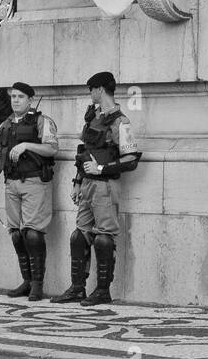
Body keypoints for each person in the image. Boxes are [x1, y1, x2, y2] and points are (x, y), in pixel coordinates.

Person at [52, 71, 141, 307]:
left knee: (103, 238)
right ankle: (77, 288)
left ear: (100, 89)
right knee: (78, 237)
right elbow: (84, 153)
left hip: (105, 186)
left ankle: (103, 291)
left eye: (91, 89)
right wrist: (77, 181)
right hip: (88, 185)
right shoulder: (93, 117)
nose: (90, 93)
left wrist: (101, 168)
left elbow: (131, 159)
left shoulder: (121, 121)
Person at [0, 82, 58, 301]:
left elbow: (52, 148)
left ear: (30, 100)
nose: (15, 100)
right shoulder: (4, 125)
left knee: (33, 234)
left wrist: (27, 145)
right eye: (13, 96)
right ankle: (26, 280)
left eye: (20, 97)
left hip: (35, 182)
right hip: (11, 183)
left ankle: (37, 284)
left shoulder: (42, 121)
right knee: (16, 233)